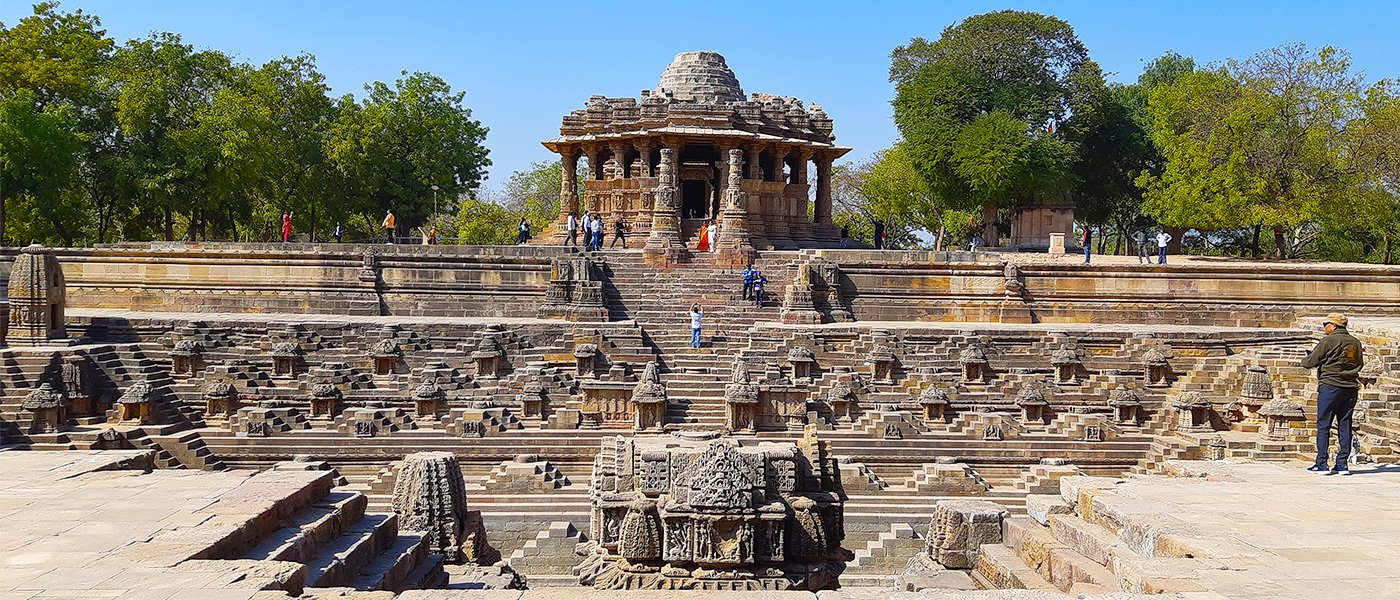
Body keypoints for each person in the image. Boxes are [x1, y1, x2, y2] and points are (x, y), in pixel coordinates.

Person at [1301, 313, 1365, 475]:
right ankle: (1342, 464)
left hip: (1331, 386)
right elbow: (1359, 363)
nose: (1324, 327)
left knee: (1324, 424)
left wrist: (1307, 359)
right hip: (1350, 387)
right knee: (1345, 424)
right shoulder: (1355, 343)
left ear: (1334, 326)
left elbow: (1310, 362)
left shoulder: (1328, 341)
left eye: (1326, 324)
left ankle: (1322, 463)